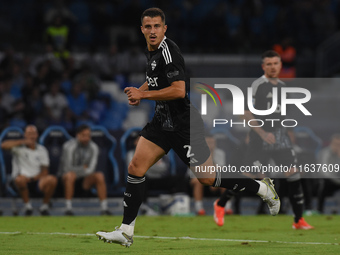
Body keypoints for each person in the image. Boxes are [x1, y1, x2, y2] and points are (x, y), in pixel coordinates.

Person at [96, 8, 280, 247]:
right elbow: (155, 78)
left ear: (164, 29)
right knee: (136, 166)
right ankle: (126, 230)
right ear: (142, 29)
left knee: (207, 178)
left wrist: (144, 94)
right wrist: (142, 92)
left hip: (184, 125)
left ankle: (262, 188)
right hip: (162, 122)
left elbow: (179, 90)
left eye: (156, 26)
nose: (152, 31)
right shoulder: (151, 51)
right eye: (148, 27)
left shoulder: (169, 52)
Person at [213, 50, 314, 230]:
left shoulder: (283, 87)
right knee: (248, 177)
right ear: (263, 66)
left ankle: (298, 220)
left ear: (280, 65)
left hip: (280, 138)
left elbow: (282, 116)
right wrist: (261, 133)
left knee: (293, 172)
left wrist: (287, 132)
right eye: (269, 64)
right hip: (259, 139)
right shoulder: (257, 85)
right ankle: (220, 204)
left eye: (275, 63)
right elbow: (244, 113)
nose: (273, 67)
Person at [1, 125, 57, 216]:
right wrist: (22, 141)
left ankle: (44, 207)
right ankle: (28, 207)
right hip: (20, 180)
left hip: (36, 180)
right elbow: (3, 145)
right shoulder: (18, 148)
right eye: (29, 134)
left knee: (52, 179)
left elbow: (45, 171)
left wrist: (33, 179)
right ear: (25, 135)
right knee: (20, 179)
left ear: (37, 135)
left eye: (34, 133)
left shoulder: (42, 150)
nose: (32, 136)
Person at [58, 124, 110, 216]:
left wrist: (79, 171)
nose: (86, 138)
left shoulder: (94, 147)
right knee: (70, 175)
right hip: (66, 180)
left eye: (88, 136)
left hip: (85, 180)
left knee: (99, 176)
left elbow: (91, 169)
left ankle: (104, 208)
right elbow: (67, 168)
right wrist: (83, 168)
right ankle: (68, 208)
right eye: (84, 135)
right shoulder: (68, 147)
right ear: (78, 135)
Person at [317, 133, 340, 213]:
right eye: (335, 144)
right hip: (328, 180)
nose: (337, 146)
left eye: (339, 144)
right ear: (331, 143)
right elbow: (324, 172)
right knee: (324, 185)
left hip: (337, 180)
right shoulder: (325, 153)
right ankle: (320, 210)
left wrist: (338, 157)